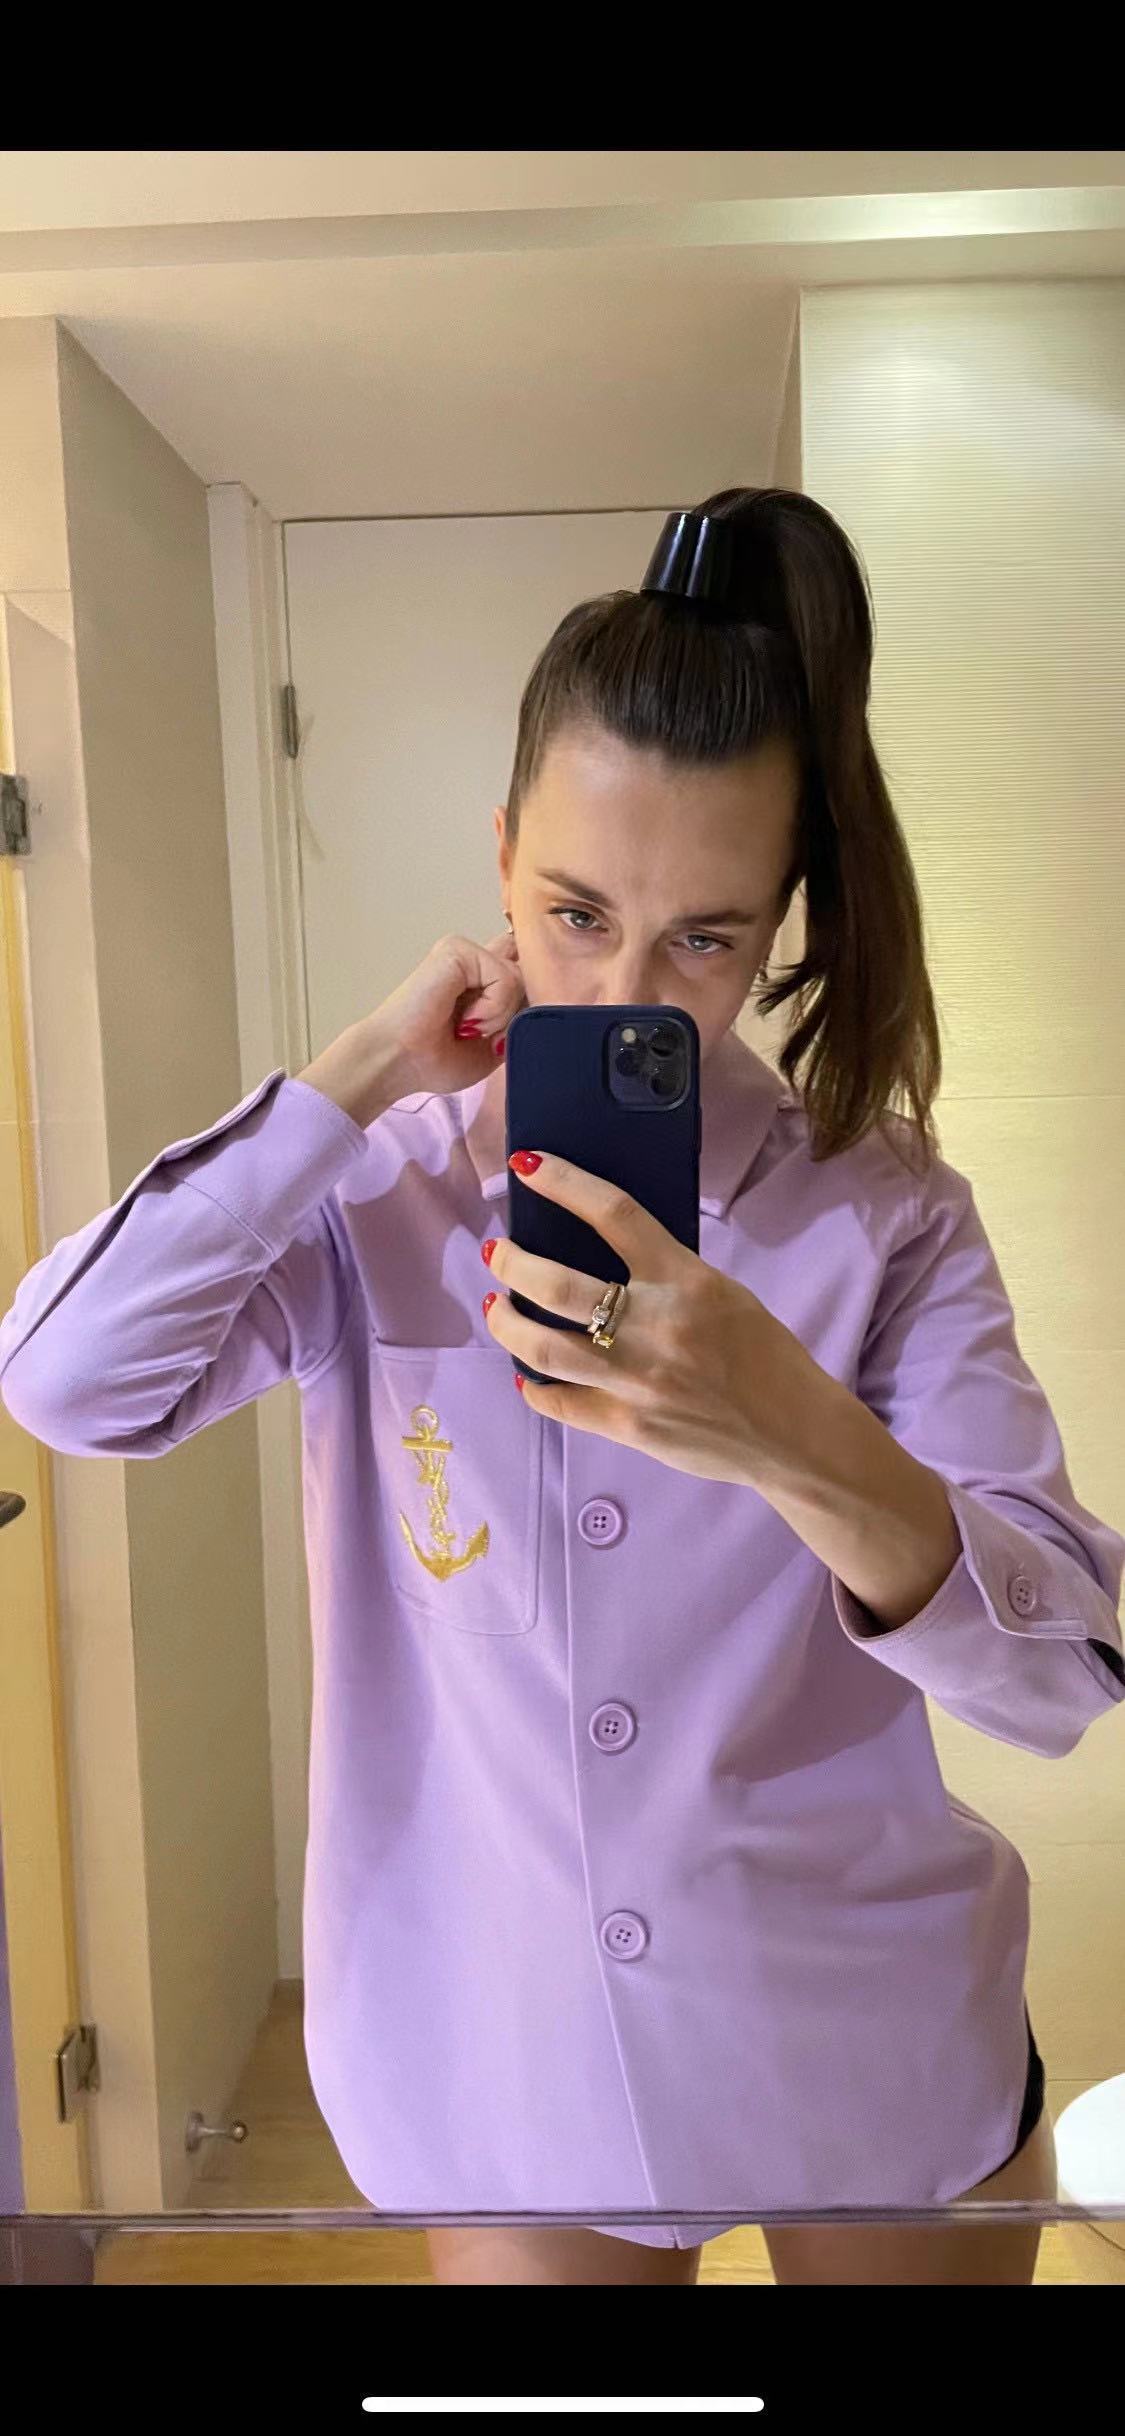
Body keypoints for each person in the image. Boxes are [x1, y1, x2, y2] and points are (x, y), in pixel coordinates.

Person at [2, 488, 1122, 2288]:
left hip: (867, 2025)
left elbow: (1058, 1675)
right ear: (501, 852)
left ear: (781, 921)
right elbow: (70, 1383)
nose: (623, 989)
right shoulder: (372, 1182)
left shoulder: (881, 1209)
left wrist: (789, 1429)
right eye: (575, 911)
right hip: (499, 2042)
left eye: (706, 937)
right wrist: (359, 1073)